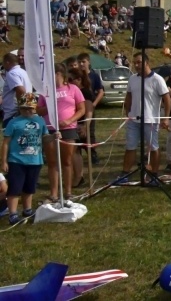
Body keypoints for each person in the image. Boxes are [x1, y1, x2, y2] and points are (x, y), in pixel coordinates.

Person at [119, 52, 171, 184]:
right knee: (130, 146)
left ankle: (154, 174)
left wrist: (166, 118)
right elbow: (129, 95)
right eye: (135, 62)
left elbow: (167, 98)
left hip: (151, 120)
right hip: (134, 120)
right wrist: (128, 110)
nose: (136, 65)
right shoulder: (133, 79)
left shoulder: (157, 79)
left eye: (139, 62)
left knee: (153, 147)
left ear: (147, 63)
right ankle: (125, 174)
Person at [37, 63, 84, 202]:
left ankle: (68, 192)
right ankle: (53, 194)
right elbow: (39, 110)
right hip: (50, 128)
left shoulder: (73, 88)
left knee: (67, 161)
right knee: (52, 162)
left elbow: (81, 109)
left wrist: (69, 120)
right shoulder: (45, 91)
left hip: (68, 129)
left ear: (59, 74)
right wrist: (49, 107)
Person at [1, 93, 48, 224]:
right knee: (15, 188)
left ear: (35, 108)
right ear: (20, 109)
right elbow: (6, 142)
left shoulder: (40, 121)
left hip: (35, 160)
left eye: (30, 108)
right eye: (24, 108)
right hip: (17, 160)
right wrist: (4, 161)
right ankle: (13, 214)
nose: (28, 111)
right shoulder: (14, 122)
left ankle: (27, 209)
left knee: (30, 187)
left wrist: (55, 137)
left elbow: (45, 137)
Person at [77, 53, 104, 165]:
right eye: (80, 62)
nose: (81, 64)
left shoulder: (94, 76)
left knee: (89, 132)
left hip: (89, 107)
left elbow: (101, 91)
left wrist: (94, 104)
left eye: (83, 61)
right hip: (78, 108)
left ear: (88, 62)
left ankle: (92, 153)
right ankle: (77, 153)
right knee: (77, 131)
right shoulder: (77, 76)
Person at [2, 53, 31, 128]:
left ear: (7, 62)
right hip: (26, 110)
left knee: (11, 138)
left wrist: (21, 108)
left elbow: (21, 90)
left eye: (3, 63)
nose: (3, 66)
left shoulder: (12, 73)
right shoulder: (24, 72)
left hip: (14, 113)